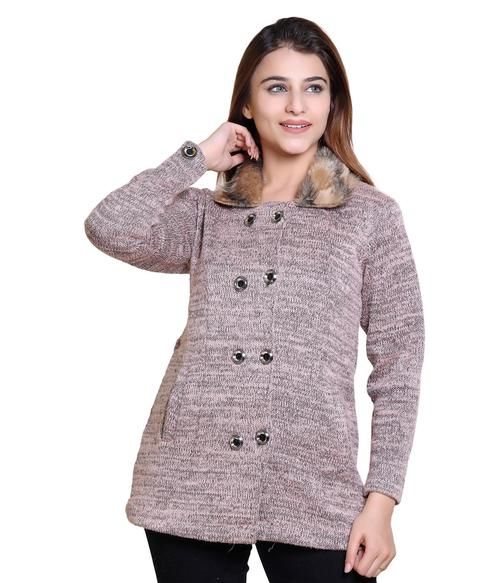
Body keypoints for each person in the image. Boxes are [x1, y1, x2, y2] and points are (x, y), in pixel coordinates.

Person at [84, 16, 425, 583]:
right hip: (192, 479)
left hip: (314, 485)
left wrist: (382, 499)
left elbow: (400, 362)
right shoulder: (206, 213)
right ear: (247, 102)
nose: (296, 105)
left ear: (332, 102)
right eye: (276, 87)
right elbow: (108, 226)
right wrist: (196, 156)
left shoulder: (370, 216)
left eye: (313, 87)